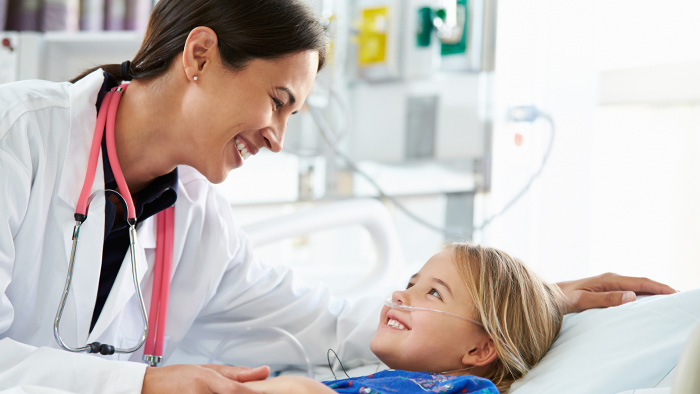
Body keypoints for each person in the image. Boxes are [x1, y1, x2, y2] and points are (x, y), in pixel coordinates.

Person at [0, 0, 676, 393]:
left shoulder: (199, 225)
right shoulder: (18, 140)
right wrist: (144, 384)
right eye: (278, 102)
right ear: (200, 56)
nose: (277, 137)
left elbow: (321, 324)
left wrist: (518, 302)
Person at [241, 242, 566, 393]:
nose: (400, 295)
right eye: (411, 283)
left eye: (434, 292)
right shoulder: (396, 381)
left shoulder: (462, 390)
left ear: (480, 350)